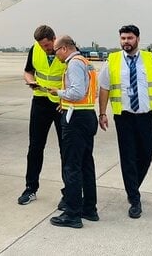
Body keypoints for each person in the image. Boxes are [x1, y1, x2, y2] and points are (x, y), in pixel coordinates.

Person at [98, 24, 152, 219]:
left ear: (138, 39)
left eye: (129, 38)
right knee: (128, 157)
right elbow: (104, 88)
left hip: (146, 116)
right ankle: (134, 198)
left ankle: (133, 187)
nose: (126, 42)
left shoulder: (150, 60)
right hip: (124, 117)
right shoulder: (112, 60)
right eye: (123, 38)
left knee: (147, 154)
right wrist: (102, 113)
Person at [46, 35, 99, 228]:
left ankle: (72, 213)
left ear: (64, 48)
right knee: (86, 164)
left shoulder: (74, 64)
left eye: (56, 51)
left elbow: (77, 92)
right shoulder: (86, 63)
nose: (55, 55)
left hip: (76, 121)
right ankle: (89, 208)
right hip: (86, 115)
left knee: (72, 166)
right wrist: (65, 104)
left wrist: (58, 93)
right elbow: (88, 92)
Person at [18, 24, 67, 208]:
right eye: (41, 46)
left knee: (66, 149)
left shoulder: (66, 49)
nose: (44, 49)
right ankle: (30, 188)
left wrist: (65, 97)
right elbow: (28, 70)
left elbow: (75, 77)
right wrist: (30, 81)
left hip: (61, 103)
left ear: (54, 39)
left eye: (47, 45)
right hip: (40, 101)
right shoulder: (35, 50)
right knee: (35, 147)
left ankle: (68, 192)